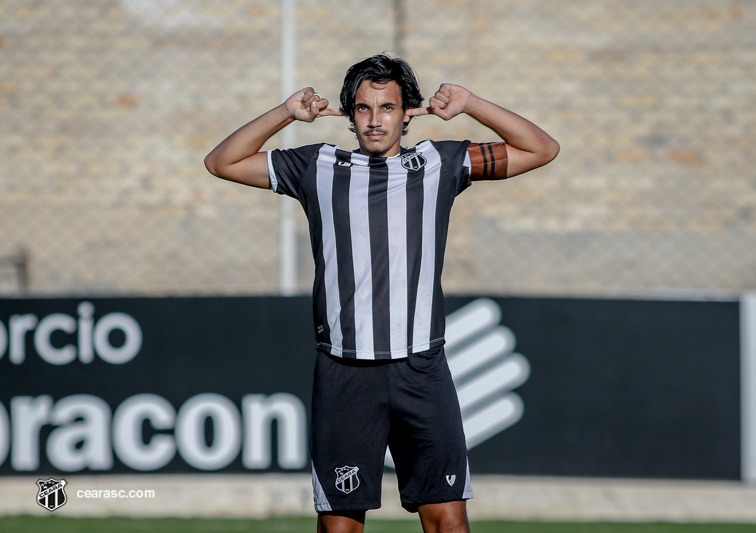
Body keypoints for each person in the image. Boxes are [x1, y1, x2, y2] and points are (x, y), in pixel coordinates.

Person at [205, 54, 559, 533]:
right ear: (349, 114)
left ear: (407, 112)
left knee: (449, 524)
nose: (375, 120)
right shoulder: (317, 166)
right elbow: (220, 161)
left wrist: (471, 103)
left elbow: (541, 149)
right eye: (364, 108)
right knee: (340, 528)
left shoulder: (439, 163)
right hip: (345, 374)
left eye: (387, 107)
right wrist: (286, 112)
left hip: (421, 370)